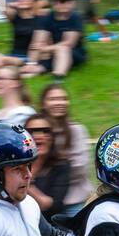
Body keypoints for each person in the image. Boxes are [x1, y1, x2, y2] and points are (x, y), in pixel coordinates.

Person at [28, 83, 92, 218]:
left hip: (72, 198)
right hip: (39, 193)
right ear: (43, 104)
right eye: (53, 99)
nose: (59, 102)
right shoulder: (35, 127)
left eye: (63, 98)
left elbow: (80, 167)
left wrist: (51, 160)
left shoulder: (76, 130)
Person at [30, 0, 86, 79]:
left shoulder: (75, 18)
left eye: (66, 2)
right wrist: (33, 61)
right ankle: (33, 69)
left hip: (74, 52)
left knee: (62, 49)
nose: (62, 5)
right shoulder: (47, 18)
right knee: (32, 71)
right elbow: (38, 41)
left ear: (72, 3)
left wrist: (47, 48)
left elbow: (69, 43)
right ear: (53, 4)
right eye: (58, 2)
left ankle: (58, 76)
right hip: (51, 53)